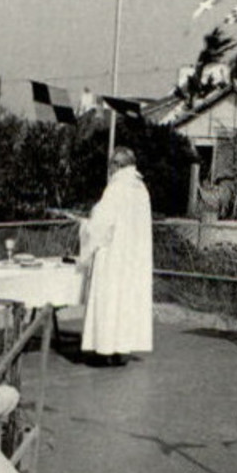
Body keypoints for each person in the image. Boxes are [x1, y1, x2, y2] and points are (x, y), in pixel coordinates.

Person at [75, 146, 153, 365]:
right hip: (133, 258)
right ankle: (120, 350)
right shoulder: (140, 188)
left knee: (109, 300)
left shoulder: (117, 188)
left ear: (118, 165)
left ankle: (105, 350)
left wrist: (86, 225)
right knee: (125, 303)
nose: (109, 168)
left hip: (114, 256)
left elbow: (101, 223)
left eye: (111, 164)